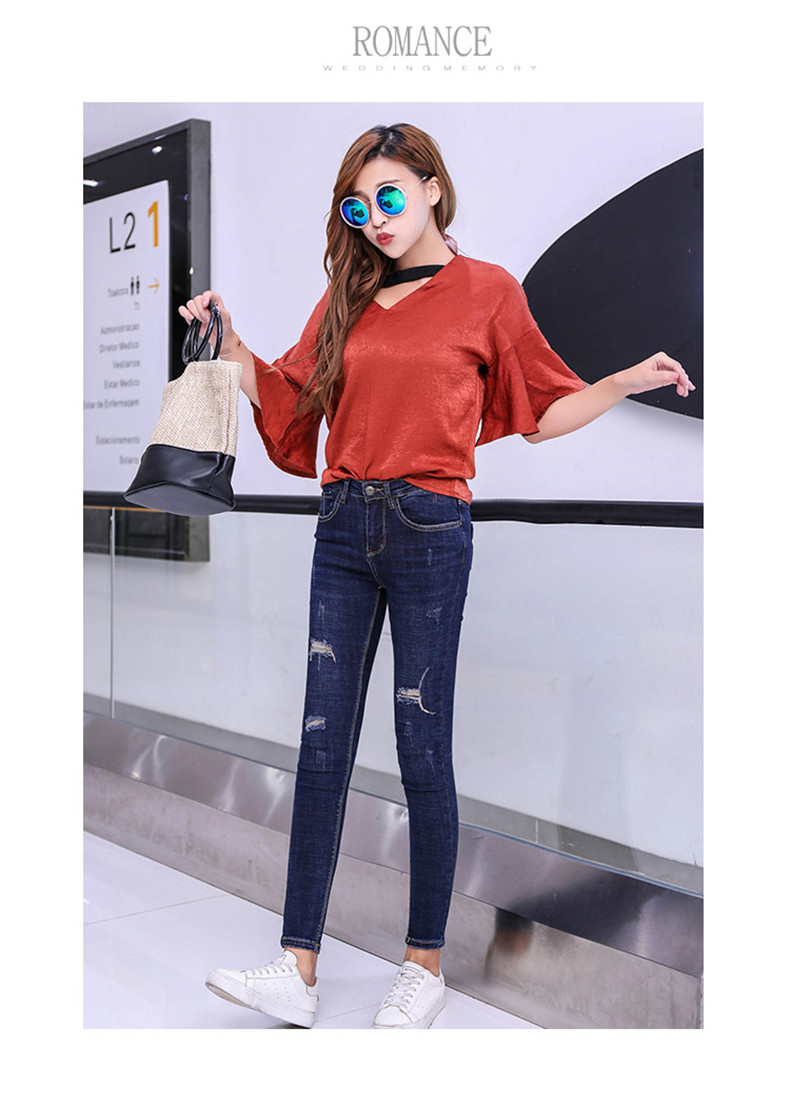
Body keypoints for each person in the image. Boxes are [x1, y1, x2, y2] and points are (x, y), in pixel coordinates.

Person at [178, 122, 694, 1030]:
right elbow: (292, 399)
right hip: (343, 526)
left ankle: (424, 964)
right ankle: (297, 965)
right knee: (322, 744)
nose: (375, 220)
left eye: (388, 197)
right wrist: (229, 342)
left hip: (429, 529)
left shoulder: (487, 291)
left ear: (431, 190)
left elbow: (538, 411)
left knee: (422, 747)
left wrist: (617, 383)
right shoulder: (347, 295)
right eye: (357, 208)